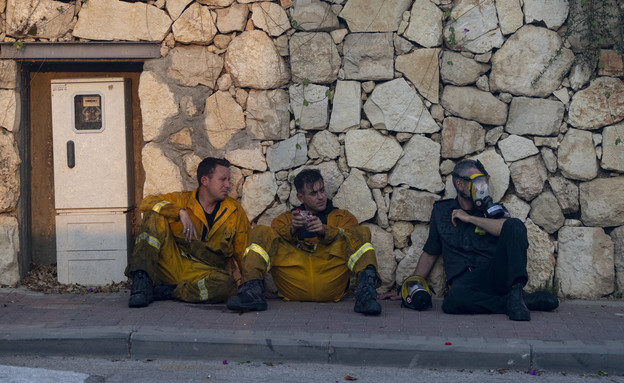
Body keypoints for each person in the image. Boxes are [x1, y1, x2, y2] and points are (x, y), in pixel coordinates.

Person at [401, 159, 558, 321]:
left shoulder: (492, 210)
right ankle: (519, 301)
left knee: (515, 225)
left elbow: (508, 228)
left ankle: (516, 291)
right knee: (452, 301)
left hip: (494, 274)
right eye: (477, 182)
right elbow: (430, 251)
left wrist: (470, 219)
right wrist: (413, 284)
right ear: (460, 184)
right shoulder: (441, 211)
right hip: (466, 282)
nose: (482, 187)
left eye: (483, 182)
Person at [226, 169, 382, 315]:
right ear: (300, 197)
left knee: (360, 233)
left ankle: (366, 296)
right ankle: (251, 293)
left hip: (330, 277)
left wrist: (325, 231)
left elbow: (352, 238)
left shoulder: (343, 217)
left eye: (322, 190)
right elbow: (272, 238)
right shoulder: (286, 219)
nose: (321, 197)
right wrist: (292, 229)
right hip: (294, 279)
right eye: (313, 193)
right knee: (260, 231)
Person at [127, 157, 250, 308]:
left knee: (227, 285)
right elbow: (146, 202)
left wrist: (253, 284)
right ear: (205, 181)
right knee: (154, 214)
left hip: (203, 273)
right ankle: (140, 285)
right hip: (172, 264)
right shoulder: (181, 200)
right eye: (223, 180)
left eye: (228, 180)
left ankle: (168, 292)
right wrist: (179, 212)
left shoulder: (234, 211)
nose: (228, 185)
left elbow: (243, 252)